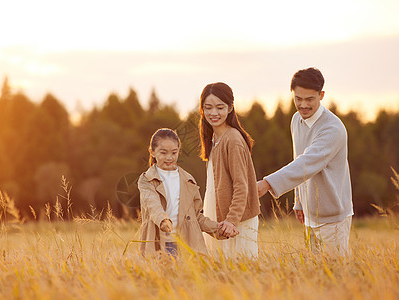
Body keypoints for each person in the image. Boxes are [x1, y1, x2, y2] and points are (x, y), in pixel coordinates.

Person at [257, 67, 354, 257]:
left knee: (338, 274)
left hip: (333, 216)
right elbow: (297, 159)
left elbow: (306, 163)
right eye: (298, 99)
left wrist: (267, 183)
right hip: (309, 216)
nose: (303, 105)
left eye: (309, 99)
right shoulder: (296, 120)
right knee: (315, 272)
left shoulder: (332, 129)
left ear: (321, 95)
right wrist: (299, 202)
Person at [138, 128, 235, 257]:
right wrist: (162, 220)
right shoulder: (146, 179)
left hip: (187, 244)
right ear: (152, 152)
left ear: (179, 151)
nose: (169, 157)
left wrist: (218, 228)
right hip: (158, 244)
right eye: (163, 152)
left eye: (174, 152)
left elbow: (197, 216)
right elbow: (152, 204)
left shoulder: (188, 180)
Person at [199, 82, 261, 259]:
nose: (214, 113)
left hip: (235, 221)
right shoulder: (213, 139)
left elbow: (242, 186)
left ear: (230, 108)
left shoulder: (232, 139)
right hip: (217, 216)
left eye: (220, 107)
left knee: (242, 271)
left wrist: (231, 220)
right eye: (208, 107)